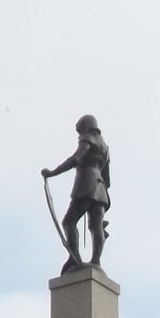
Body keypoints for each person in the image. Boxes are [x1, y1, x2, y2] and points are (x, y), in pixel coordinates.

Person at [42, 115, 111, 271]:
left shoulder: (88, 138)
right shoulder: (105, 147)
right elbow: (107, 177)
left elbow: (76, 158)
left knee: (69, 221)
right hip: (101, 188)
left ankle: (74, 258)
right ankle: (96, 261)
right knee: (96, 225)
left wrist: (53, 172)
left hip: (86, 183)